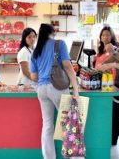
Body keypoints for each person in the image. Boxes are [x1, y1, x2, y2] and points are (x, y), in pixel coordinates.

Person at [30, 23, 79, 159]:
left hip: (42, 90)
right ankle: (74, 157)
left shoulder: (35, 50)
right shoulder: (59, 44)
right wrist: (76, 89)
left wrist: (44, 71)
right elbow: (68, 67)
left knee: (47, 125)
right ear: (52, 33)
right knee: (69, 124)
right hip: (57, 88)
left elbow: (34, 76)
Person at [94, 25, 119, 147]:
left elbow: (113, 63)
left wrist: (106, 64)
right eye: (103, 35)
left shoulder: (114, 49)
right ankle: (110, 136)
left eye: (107, 34)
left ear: (112, 35)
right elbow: (100, 65)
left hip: (113, 81)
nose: (105, 37)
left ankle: (113, 138)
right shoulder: (101, 48)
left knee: (116, 112)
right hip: (104, 81)